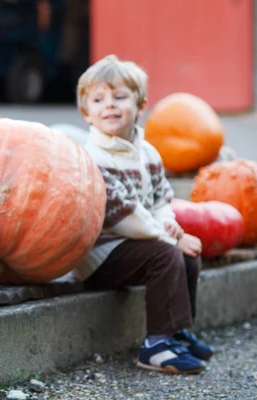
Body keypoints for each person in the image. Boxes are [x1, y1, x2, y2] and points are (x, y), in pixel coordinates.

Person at [72, 54, 214, 374]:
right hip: (99, 255)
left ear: (140, 105)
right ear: (87, 113)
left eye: (120, 97)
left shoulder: (147, 152)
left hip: (137, 242)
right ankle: (155, 346)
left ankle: (176, 331)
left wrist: (173, 229)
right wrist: (169, 239)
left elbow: (161, 198)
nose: (110, 105)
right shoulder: (91, 157)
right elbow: (125, 217)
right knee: (166, 255)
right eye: (98, 100)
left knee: (187, 255)